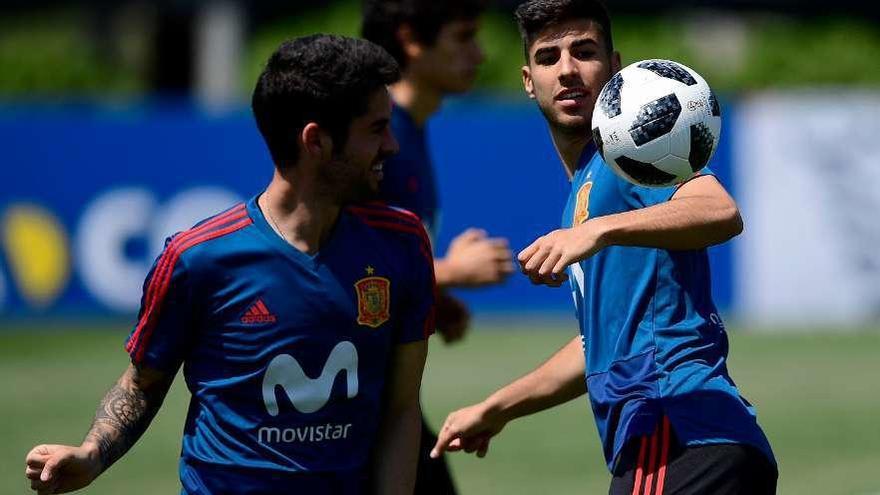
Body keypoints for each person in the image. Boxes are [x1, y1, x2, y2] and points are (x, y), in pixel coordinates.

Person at [25, 34, 434, 495]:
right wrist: (92, 453)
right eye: (377, 129)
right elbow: (143, 384)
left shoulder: (401, 242)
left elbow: (401, 409)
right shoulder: (197, 258)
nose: (393, 146)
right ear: (316, 141)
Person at [430, 1, 778, 493]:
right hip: (686, 442)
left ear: (615, 68)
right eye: (549, 57)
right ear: (529, 81)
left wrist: (599, 230)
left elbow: (720, 210)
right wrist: (496, 408)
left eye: (584, 52)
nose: (567, 70)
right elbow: (597, 344)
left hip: (675, 429)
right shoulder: (583, 188)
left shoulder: (630, 153)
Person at [362, 2, 514, 493]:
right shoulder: (377, 137)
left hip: (385, 401)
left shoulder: (412, 127)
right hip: (349, 406)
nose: (481, 53)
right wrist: (449, 271)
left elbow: (383, 256)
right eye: (464, 35)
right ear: (410, 38)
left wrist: (431, 297)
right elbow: (334, 264)